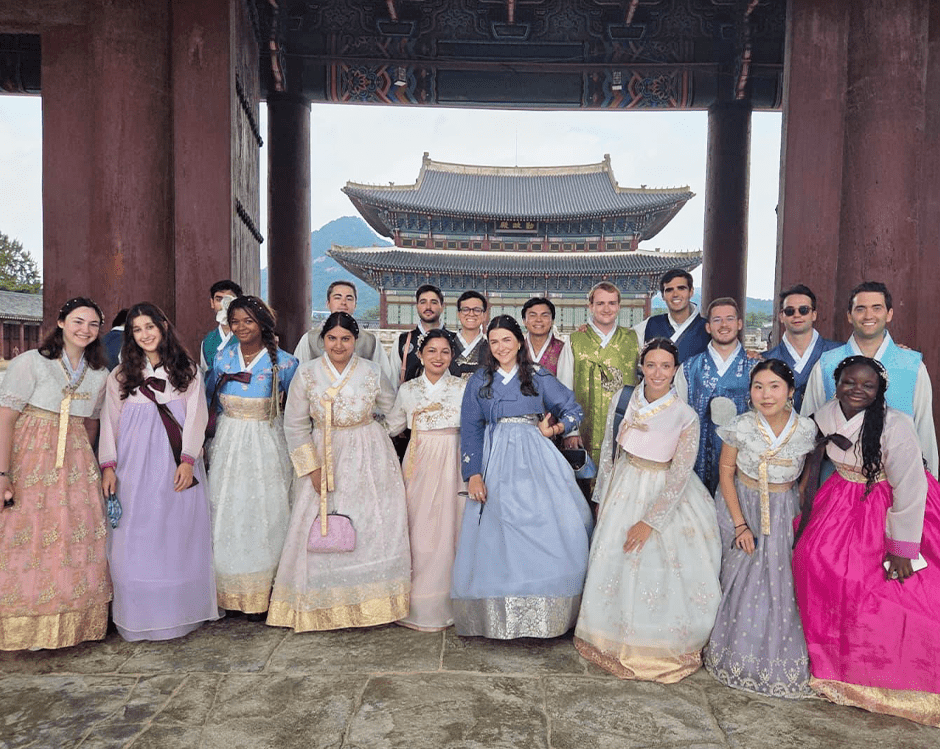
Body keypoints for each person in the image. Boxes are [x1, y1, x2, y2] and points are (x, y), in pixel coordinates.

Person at [793, 356, 940, 726]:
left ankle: (883, 668)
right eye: (849, 382)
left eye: (867, 385)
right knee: (812, 560)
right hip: (841, 497)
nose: (856, 390)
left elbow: (911, 486)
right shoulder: (825, 415)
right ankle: (830, 658)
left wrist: (902, 548)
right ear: (837, 383)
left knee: (883, 587)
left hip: (887, 502)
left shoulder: (896, 424)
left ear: (880, 391)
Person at [574, 338, 721, 682]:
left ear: (675, 370)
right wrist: (602, 496)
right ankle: (609, 636)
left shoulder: (685, 416)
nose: (657, 373)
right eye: (651, 365)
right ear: (641, 366)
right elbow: (609, 451)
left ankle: (654, 642)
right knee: (615, 559)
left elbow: (680, 474)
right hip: (625, 483)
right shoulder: (624, 399)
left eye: (665, 366)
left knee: (656, 565)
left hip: (664, 490)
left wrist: (650, 521)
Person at [452, 315, 593, 639]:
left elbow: (574, 409)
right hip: (494, 459)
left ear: (519, 341)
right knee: (497, 534)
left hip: (536, 458)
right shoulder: (480, 380)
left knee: (547, 526)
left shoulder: (539, 376)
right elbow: (470, 427)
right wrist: (473, 474)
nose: (501, 347)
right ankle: (499, 615)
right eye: (494, 341)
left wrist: (555, 429)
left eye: (507, 340)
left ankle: (547, 611)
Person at [269, 311, 411, 631]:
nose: (338, 345)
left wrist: (377, 434)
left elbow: (395, 411)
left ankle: (371, 603)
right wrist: (311, 468)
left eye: (346, 339)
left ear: (355, 340)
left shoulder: (372, 371)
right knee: (320, 526)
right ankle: (322, 603)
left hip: (370, 456)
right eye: (332, 338)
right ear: (322, 340)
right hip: (323, 452)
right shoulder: (307, 373)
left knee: (371, 523)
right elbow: (294, 425)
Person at [99, 302, 219, 641]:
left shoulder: (186, 371)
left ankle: (179, 611)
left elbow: (196, 418)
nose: (145, 335)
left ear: (163, 326)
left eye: (149, 327)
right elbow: (109, 423)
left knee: (176, 529)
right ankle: (139, 612)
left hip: (175, 461)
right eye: (137, 330)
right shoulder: (120, 376)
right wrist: (108, 466)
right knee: (137, 530)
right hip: (133, 464)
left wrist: (188, 460)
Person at [0, 297, 111, 651]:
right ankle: (20, 623)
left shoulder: (100, 374)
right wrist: (2, 472)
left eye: (93, 325)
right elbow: (5, 419)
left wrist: (90, 466)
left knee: (73, 531)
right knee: (26, 532)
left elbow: (91, 424)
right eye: (78, 321)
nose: (85, 330)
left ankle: (72, 623)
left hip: (76, 460)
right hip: (30, 454)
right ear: (61, 322)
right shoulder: (30, 362)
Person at [703, 359, 817, 698]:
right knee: (742, 577)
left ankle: (775, 657)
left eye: (774, 387)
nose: (766, 395)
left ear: (790, 391)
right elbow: (726, 472)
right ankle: (734, 652)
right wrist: (740, 524)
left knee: (780, 582)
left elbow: (808, 470)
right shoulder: (740, 426)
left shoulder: (806, 429)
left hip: (783, 509)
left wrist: (797, 500)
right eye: (758, 387)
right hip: (743, 505)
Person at [205, 296, 299, 618]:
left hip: (266, 442)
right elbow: (210, 398)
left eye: (248, 321)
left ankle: (263, 591)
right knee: (227, 507)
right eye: (235, 321)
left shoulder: (285, 363)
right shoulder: (222, 358)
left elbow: (296, 408)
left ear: (263, 323)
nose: (241, 327)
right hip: (228, 441)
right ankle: (228, 589)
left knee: (265, 509)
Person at [801, 281, 938, 475]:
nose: (868, 316)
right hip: (836, 479)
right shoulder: (826, 364)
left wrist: (929, 480)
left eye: (876, 308)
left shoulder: (912, 366)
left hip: (897, 479)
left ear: (889, 314)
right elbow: (808, 429)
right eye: (860, 309)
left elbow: (924, 429)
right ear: (849, 316)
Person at [387, 330, 467, 631]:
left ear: (452, 356)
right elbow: (393, 426)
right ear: (420, 355)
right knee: (419, 529)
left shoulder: (462, 388)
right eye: (431, 351)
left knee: (451, 527)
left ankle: (449, 601)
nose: (438, 357)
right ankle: (418, 601)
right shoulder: (408, 390)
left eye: (445, 351)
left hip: (452, 459)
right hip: (419, 460)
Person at [675, 297, 759, 493]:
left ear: (739, 324)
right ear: (708, 327)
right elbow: (677, 415)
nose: (723, 325)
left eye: (730, 319)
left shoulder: (756, 367)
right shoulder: (690, 368)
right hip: (698, 457)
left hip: (743, 458)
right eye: (717, 320)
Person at [566, 282, 640, 495]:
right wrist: (571, 430)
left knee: (622, 488)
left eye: (612, 303)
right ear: (590, 306)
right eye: (600, 303)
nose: (606, 309)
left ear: (619, 306)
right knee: (584, 488)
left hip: (625, 426)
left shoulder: (633, 338)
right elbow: (565, 387)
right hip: (585, 425)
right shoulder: (575, 340)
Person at [293, 280, 395, 386]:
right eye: (337, 298)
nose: (343, 303)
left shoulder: (370, 341)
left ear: (355, 305)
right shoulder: (310, 339)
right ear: (328, 303)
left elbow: (385, 379)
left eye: (349, 299)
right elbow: (298, 378)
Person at [762, 284, 839, 413]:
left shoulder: (838, 352)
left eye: (803, 310)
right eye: (789, 311)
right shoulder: (765, 360)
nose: (797, 315)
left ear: (814, 315)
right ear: (781, 316)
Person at [389, 284, 459, 387]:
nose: (428, 307)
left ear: (442, 307)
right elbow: (392, 384)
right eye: (423, 302)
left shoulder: (456, 340)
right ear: (417, 306)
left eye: (434, 302)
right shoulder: (403, 341)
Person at [633, 269, 709, 363]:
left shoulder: (708, 328)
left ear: (691, 292)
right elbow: (623, 340)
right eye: (669, 290)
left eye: (681, 288)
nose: (675, 294)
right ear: (663, 296)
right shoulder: (650, 324)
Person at [521, 297, 573, 387]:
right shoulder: (516, 349)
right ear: (524, 321)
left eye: (544, 315)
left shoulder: (564, 349)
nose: (538, 320)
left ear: (552, 321)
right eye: (533, 315)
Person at [199, 280, 243, 372]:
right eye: (219, 300)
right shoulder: (207, 341)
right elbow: (206, 374)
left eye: (228, 299)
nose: (224, 304)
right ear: (212, 303)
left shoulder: (249, 335)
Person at [451, 290, 489, 379]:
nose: (471, 314)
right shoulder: (447, 344)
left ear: (484, 315)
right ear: (458, 314)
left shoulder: (491, 348)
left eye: (477, 310)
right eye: (465, 310)